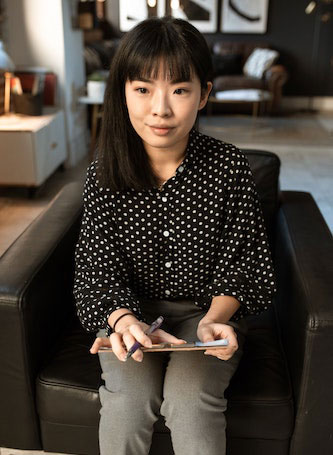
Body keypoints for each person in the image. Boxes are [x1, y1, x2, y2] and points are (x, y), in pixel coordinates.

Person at [73, 16, 276, 455]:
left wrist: (214, 320)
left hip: (206, 313)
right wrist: (124, 321)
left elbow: (246, 266)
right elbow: (96, 269)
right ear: (123, 91)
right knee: (127, 402)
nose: (160, 109)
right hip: (133, 316)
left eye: (179, 90)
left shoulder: (229, 168)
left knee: (189, 402)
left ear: (203, 93)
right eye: (142, 89)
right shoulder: (104, 175)